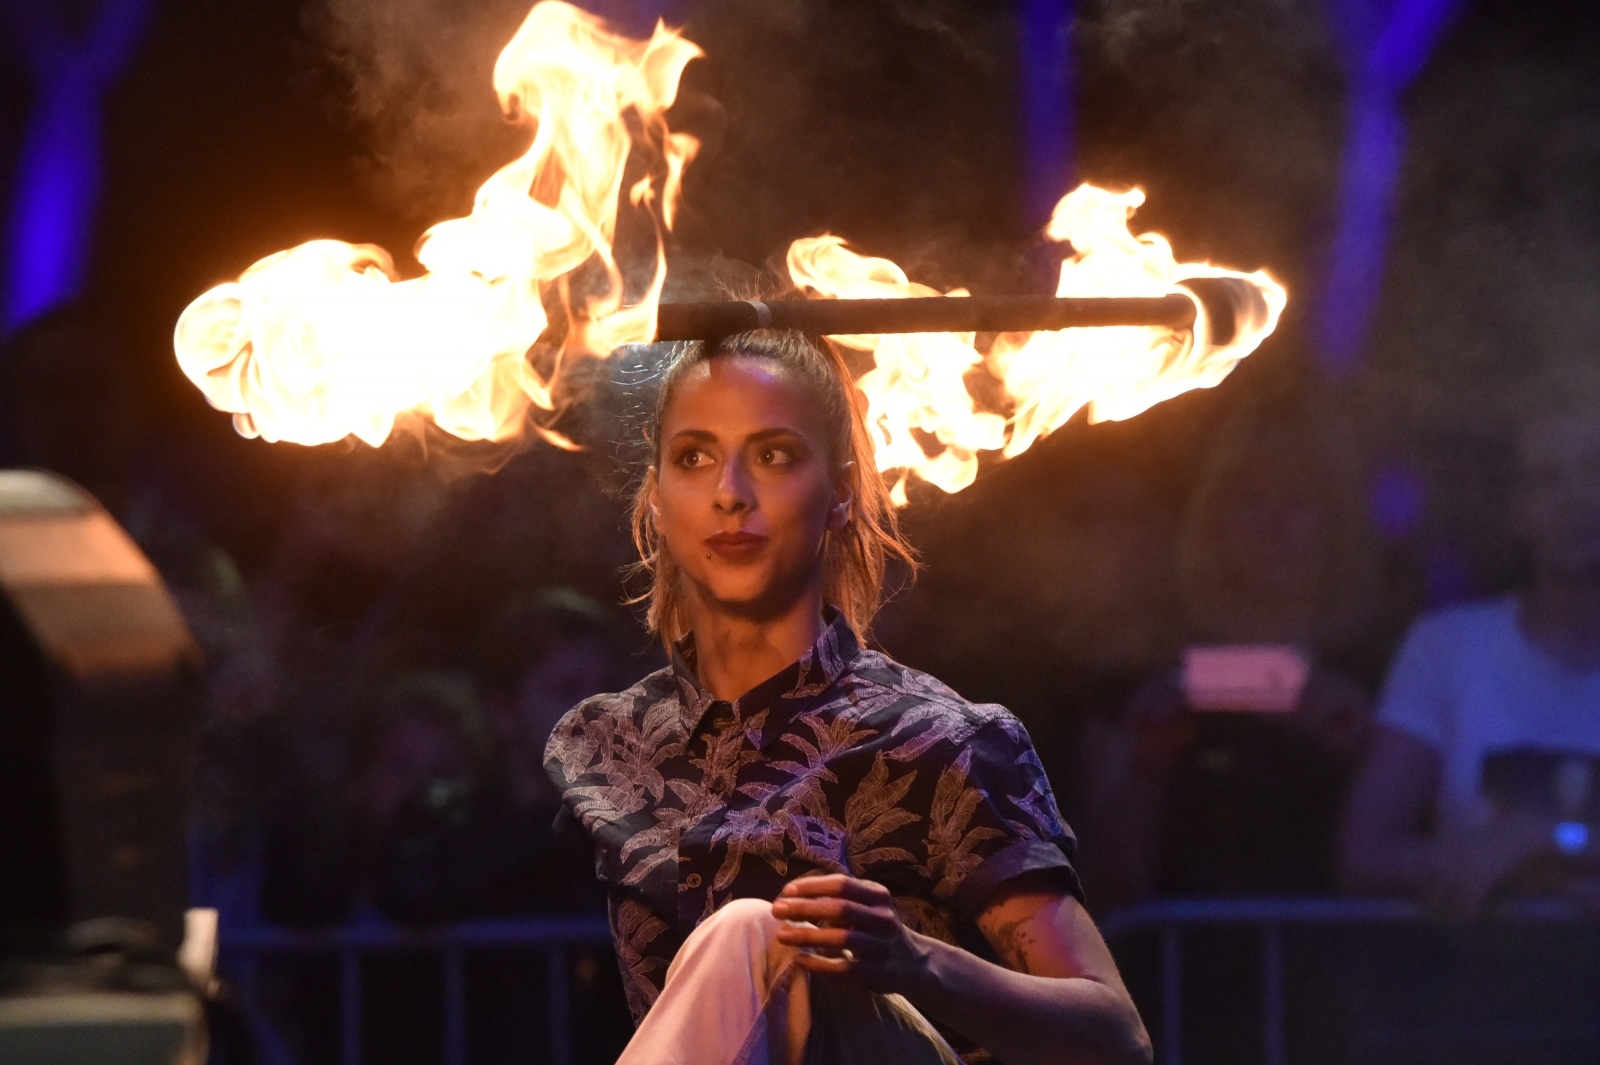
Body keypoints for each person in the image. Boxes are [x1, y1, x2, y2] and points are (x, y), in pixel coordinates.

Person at [544, 329, 1151, 1065]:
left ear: (839, 494)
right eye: (694, 458)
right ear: (657, 495)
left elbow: (1116, 1038)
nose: (730, 493)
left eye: (774, 456)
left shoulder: (940, 739)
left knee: (752, 930)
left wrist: (913, 960)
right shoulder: (605, 743)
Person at [1075, 399, 1379, 907]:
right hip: (1182, 952)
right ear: (1210, 520)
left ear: (1337, 522)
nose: (1273, 524)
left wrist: (1369, 752)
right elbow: (1102, 888)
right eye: (1249, 499)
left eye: (1299, 501)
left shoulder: (1389, 672)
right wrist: (1146, 769)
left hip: (1341, 951)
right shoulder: (1136, 676)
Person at [1340, 383, 1600, 916]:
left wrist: (1546, 842)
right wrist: (1508, 863)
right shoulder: (1449, 647)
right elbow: (1365, 853)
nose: (1577, 498)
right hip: (1481, 967)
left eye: (1595, 470)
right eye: (1548, 479)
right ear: (1517, 510)